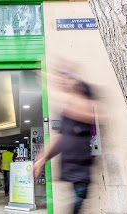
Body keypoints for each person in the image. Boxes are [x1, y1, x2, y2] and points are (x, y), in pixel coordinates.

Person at [34, 69, 101, 214]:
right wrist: (42, 158)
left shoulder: (85, 96)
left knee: (77, 203)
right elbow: (60, 138)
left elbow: (97, 113)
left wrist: (54, 86)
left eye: (66, 80)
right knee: (74, 206)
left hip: (81, 166)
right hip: (69, 167)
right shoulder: (67, 109)